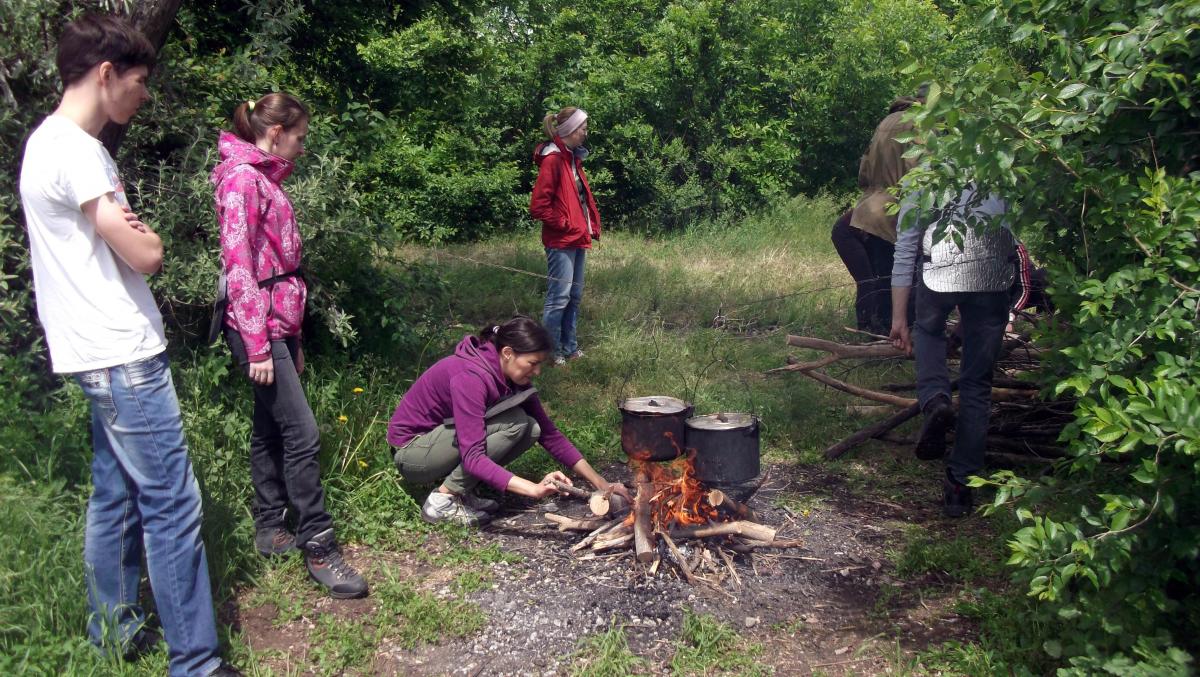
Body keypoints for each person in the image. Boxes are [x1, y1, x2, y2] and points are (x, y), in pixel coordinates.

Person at [18, 14, 238, 676]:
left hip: (90, 351)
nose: (144, 96)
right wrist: (146, 237)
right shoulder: (81, 151)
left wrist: (128, 231)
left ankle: (115, 631)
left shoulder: (43, 143)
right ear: (106, 74)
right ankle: (196, 662)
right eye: (139, 82)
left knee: (114, 495)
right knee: (172, 503)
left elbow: (116, 239)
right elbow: (145, 252)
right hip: (122, 353)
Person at [212, 93, 367, 599]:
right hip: (253, 325)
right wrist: (258, 345)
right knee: (303, 434)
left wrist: (291, 336)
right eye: (299, 137)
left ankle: (268, 526)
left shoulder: (264, 178)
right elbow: (240, 269)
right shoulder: (242, 181)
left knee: (269, 427)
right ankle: (319, 546)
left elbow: (277, 268)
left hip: (276, 323)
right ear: (275, 132)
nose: (303, 147)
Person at [388, 316, 631, 526]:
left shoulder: (510, 376)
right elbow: (472, 456)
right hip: (413, 455)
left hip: (438, 444)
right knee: (515, 423)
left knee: (531, 428)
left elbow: (550, 434)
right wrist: (533, 488)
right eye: (532, 363)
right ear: (507, 353)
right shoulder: (471, 376)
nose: (536, 372)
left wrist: (602, 484)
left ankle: (461, 490)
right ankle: (441, 501)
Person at [889, 184, 1015, 518]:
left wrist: (900, 318)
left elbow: (904, 249)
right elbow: (1011, 239)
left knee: (927, 330)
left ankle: (935, 400)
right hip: (992, 277)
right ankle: (960, 487)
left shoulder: (927, 177)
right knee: (977, 385)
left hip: (939, 272)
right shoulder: (1000, 171)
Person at [837, 88, 926, 334]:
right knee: (896, 281)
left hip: (870, 206)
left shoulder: (887, 120)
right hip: (896, 210)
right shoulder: (920, 124)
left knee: (879, 279)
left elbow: (864, 170)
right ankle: (889, 340)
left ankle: (875, 334)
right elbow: (921, 174)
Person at [530, 107, 601, 366]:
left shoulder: (572, 159)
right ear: (570, 130)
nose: (586, 132)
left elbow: (579, 200)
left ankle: (570, 348)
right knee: (558, 297)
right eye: (583, 128)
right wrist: (564, 224)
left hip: (577, 237)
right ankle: (550, 352)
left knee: (574, 296)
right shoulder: (553, 160)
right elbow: (539, 206)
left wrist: (584, 226)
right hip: (561, 240)